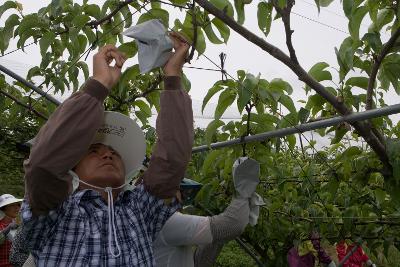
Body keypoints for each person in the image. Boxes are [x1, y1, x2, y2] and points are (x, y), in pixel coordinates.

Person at [19, 32, 193, 266]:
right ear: (71, 168)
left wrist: (173, 75)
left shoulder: (140, 208)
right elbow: (43, 167)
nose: (108, 153)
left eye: (114, 153)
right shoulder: (57, 211)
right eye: (94, 151)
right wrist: (99, 84)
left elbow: (172, 160)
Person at [154, 157, 262, 267]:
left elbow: (197, 262)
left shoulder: (153, 218)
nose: (182, 198)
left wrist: (215, 237)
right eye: (180, 192)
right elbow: (232, 225)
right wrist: (243, 192)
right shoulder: (166, 222)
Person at [0, 194, 22, 267]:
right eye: (12, 205)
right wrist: (7, 229)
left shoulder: (22, 225)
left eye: (18, 205)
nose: (16, 208)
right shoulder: (1, 225)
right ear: (4, 208)